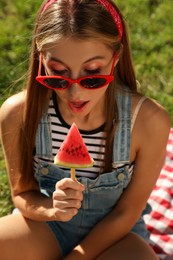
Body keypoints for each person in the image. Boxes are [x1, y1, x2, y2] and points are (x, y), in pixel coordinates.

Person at [0, 0, 170, 259]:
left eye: (92, 73)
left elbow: (127, 212)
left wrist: (77, 256)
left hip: (117, 236)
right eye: (58, 72)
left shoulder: (148, 121)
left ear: (116, 57)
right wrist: (51, 210)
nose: (75, 92)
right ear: (40, 58)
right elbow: (23, 194)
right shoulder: (17, 114)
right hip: (47, 228)